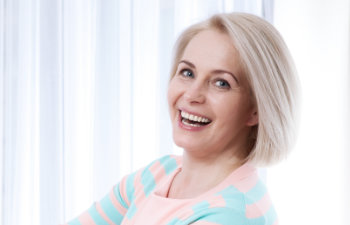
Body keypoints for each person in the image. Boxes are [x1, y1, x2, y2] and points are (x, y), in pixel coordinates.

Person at [64, 12, 299, 225]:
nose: (192, 95)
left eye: (221, 83)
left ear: (256, 109)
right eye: (187, 73)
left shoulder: (235, 214)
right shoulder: (157, 174)